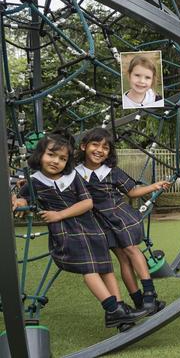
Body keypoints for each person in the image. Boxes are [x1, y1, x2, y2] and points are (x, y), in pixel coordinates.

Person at [14, 131, 148, 329]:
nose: (55, 161)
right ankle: (112, 309)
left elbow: (87, 203)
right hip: (67, 233)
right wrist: (18, 200)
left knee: (106, 268)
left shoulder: (72, 177)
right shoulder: (34, 181)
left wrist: (58, 214)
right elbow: (24, 197)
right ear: (40, 155)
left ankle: (120, 311)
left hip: (91, 227)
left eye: (62, 158)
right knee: (90, 270)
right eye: (51, 155)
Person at [75, 128, 168, 321]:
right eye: (95, 144)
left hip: (119, 215)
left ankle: (149, 295)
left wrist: (154, 186)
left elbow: (132, 191)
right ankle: (139, 301)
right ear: (84, 146)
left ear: (109, 152)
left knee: (132, 249)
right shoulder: (75, 173)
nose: (99, 150)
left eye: (105, 147)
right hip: (100, 221)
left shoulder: (111, 171)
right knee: (123, 260)